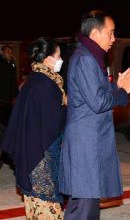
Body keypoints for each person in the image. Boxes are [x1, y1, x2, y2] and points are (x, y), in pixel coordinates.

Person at [59, 10, 130, 220]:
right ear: (96, 33)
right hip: (86, 144)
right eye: (111, 33)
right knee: (83, 210)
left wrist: (116, 86)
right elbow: (98, 103)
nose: (113, 39)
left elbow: (94, 96)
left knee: (87, 207)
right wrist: (123, 90)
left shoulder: (89, 57)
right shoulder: (85, 59)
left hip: (90, 142)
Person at [1, 37, 67, 219]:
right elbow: (53, 122)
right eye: (59, 56)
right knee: (47, 208)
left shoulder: (36, 79)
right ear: (48, 59)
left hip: (35, 154)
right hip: (41, 157)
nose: (61, 60)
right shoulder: (44, 84)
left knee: (37, 208)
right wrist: (67, 109)